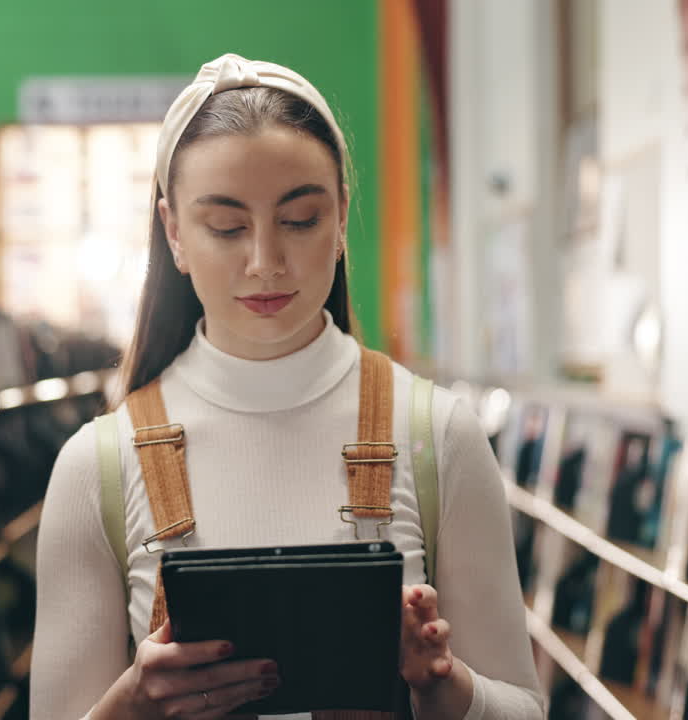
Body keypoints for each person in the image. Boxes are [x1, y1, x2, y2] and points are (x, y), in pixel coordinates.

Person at [30, 53, 544, 720]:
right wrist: (131, 706)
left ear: (339, 223)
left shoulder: (436, 435)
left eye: (300, 219)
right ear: (174, 233)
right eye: (226, 227)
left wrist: (443, 685)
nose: (265, 262)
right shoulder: (96, 466)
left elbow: (526, 709)